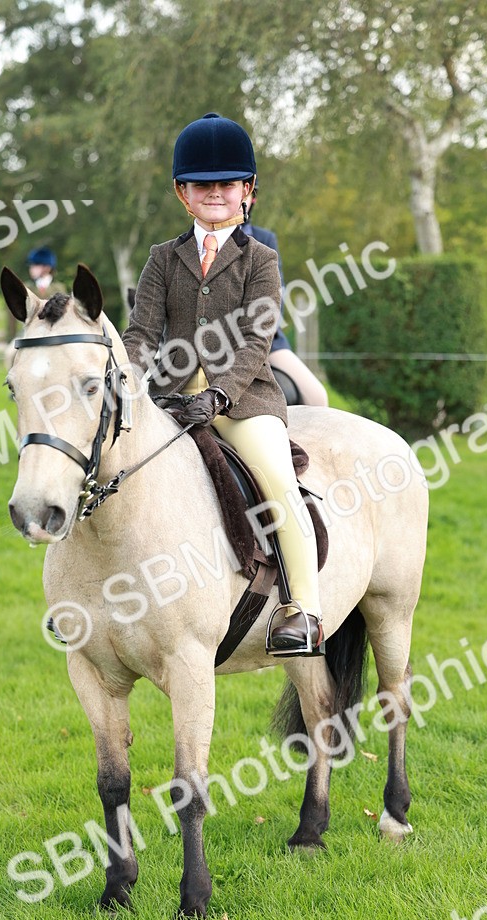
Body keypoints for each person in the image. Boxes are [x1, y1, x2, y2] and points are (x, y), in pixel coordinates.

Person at [123, 112, 323, 656]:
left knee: (279, 485)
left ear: (247, 191)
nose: (214, 193)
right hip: (172, 397)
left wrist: (220, 394)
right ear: (181, 193)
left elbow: (259, 339)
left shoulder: (262, 259)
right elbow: (141, 332)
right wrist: (128, 377)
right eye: (201, 185)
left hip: (243, 400)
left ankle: (302, 609)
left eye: (226, 184)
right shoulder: (162, 259)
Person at [242, 191, 328, 407]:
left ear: (253, 198)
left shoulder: (265, 239)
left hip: (268, 341)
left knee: (317, 397)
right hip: (220, 339)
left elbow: (276, 292)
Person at [4, 247, 64, 368]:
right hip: (29, 331)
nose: (31, 268)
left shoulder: (59, 288)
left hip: (53, 331)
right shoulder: (26, 287)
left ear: (47, 268)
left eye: (35, 265)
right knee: (9, 354)